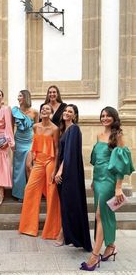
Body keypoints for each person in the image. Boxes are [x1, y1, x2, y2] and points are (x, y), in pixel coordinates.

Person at [80, 106, 135, 271]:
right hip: (97, 180)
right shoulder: (98, 135)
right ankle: (110, 247)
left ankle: (95, 256)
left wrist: (119, 187)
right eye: (102, 115)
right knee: (102, 215)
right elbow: (98, 160)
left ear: (114, 118)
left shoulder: (117, 136)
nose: (104, 118)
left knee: (100, 215)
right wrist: (93, 180)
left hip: (109, 181)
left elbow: (121, 162)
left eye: (108, 116)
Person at [19, 104, 61, 239]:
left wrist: (56, 169)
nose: (44, 110)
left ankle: (52, 231)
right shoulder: (35, 126)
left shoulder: (55, 129)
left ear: (51, 112)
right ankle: (28, 227)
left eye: (47, 109)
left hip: (50, 162)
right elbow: (33, 145)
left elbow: (57, 149)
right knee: (29, 190)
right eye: (43, 109)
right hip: (38, 161)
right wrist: (29, 160)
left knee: (51, 193)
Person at [54, 104, 92, 252]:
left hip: (69, 173)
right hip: (65, 171)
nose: (67, 113)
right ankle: (71, 235)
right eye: (65, 110)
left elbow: (69, 154)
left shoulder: (74, 129)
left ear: (75, 116)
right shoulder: (65, 130)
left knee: (69, 204)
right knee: (67, 204)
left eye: (70, 111)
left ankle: (64, 234)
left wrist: (60, 171)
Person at [12, 90, 38, 201]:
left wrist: (37, 142)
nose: (18, 98)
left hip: (30, 141)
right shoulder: (14, 111)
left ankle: (32, 191)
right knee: (18, 168)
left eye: (20, 95)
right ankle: (19, 194)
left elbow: (37, 128)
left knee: (28, 166)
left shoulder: (35, 112)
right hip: (18, 140)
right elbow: (11, 127)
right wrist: (12, 141)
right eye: (18, 96)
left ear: (26, 97)